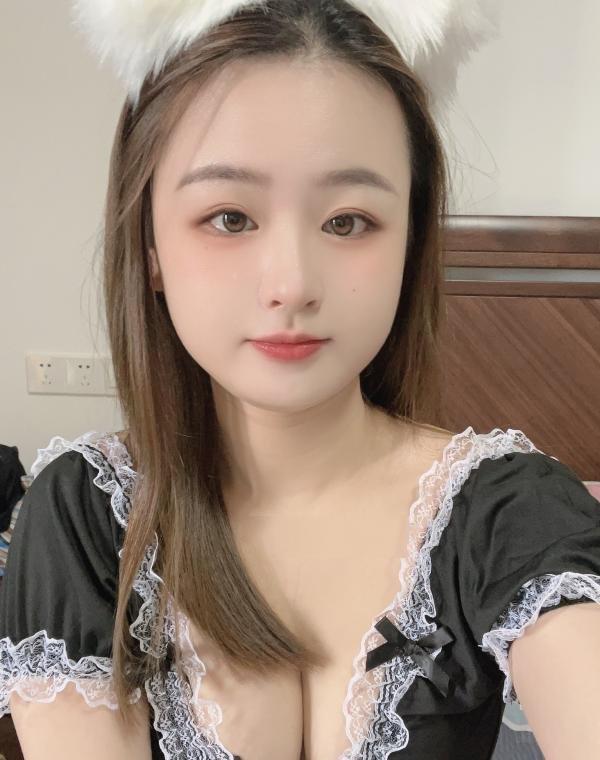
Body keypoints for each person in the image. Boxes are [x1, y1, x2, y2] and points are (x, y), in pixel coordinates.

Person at [1, 1, 599, 759]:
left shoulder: (509, 512)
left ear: (410, 241)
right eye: (230, 218)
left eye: (347, 221)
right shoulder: (88, 513)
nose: (291, 285)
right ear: (149, 247)